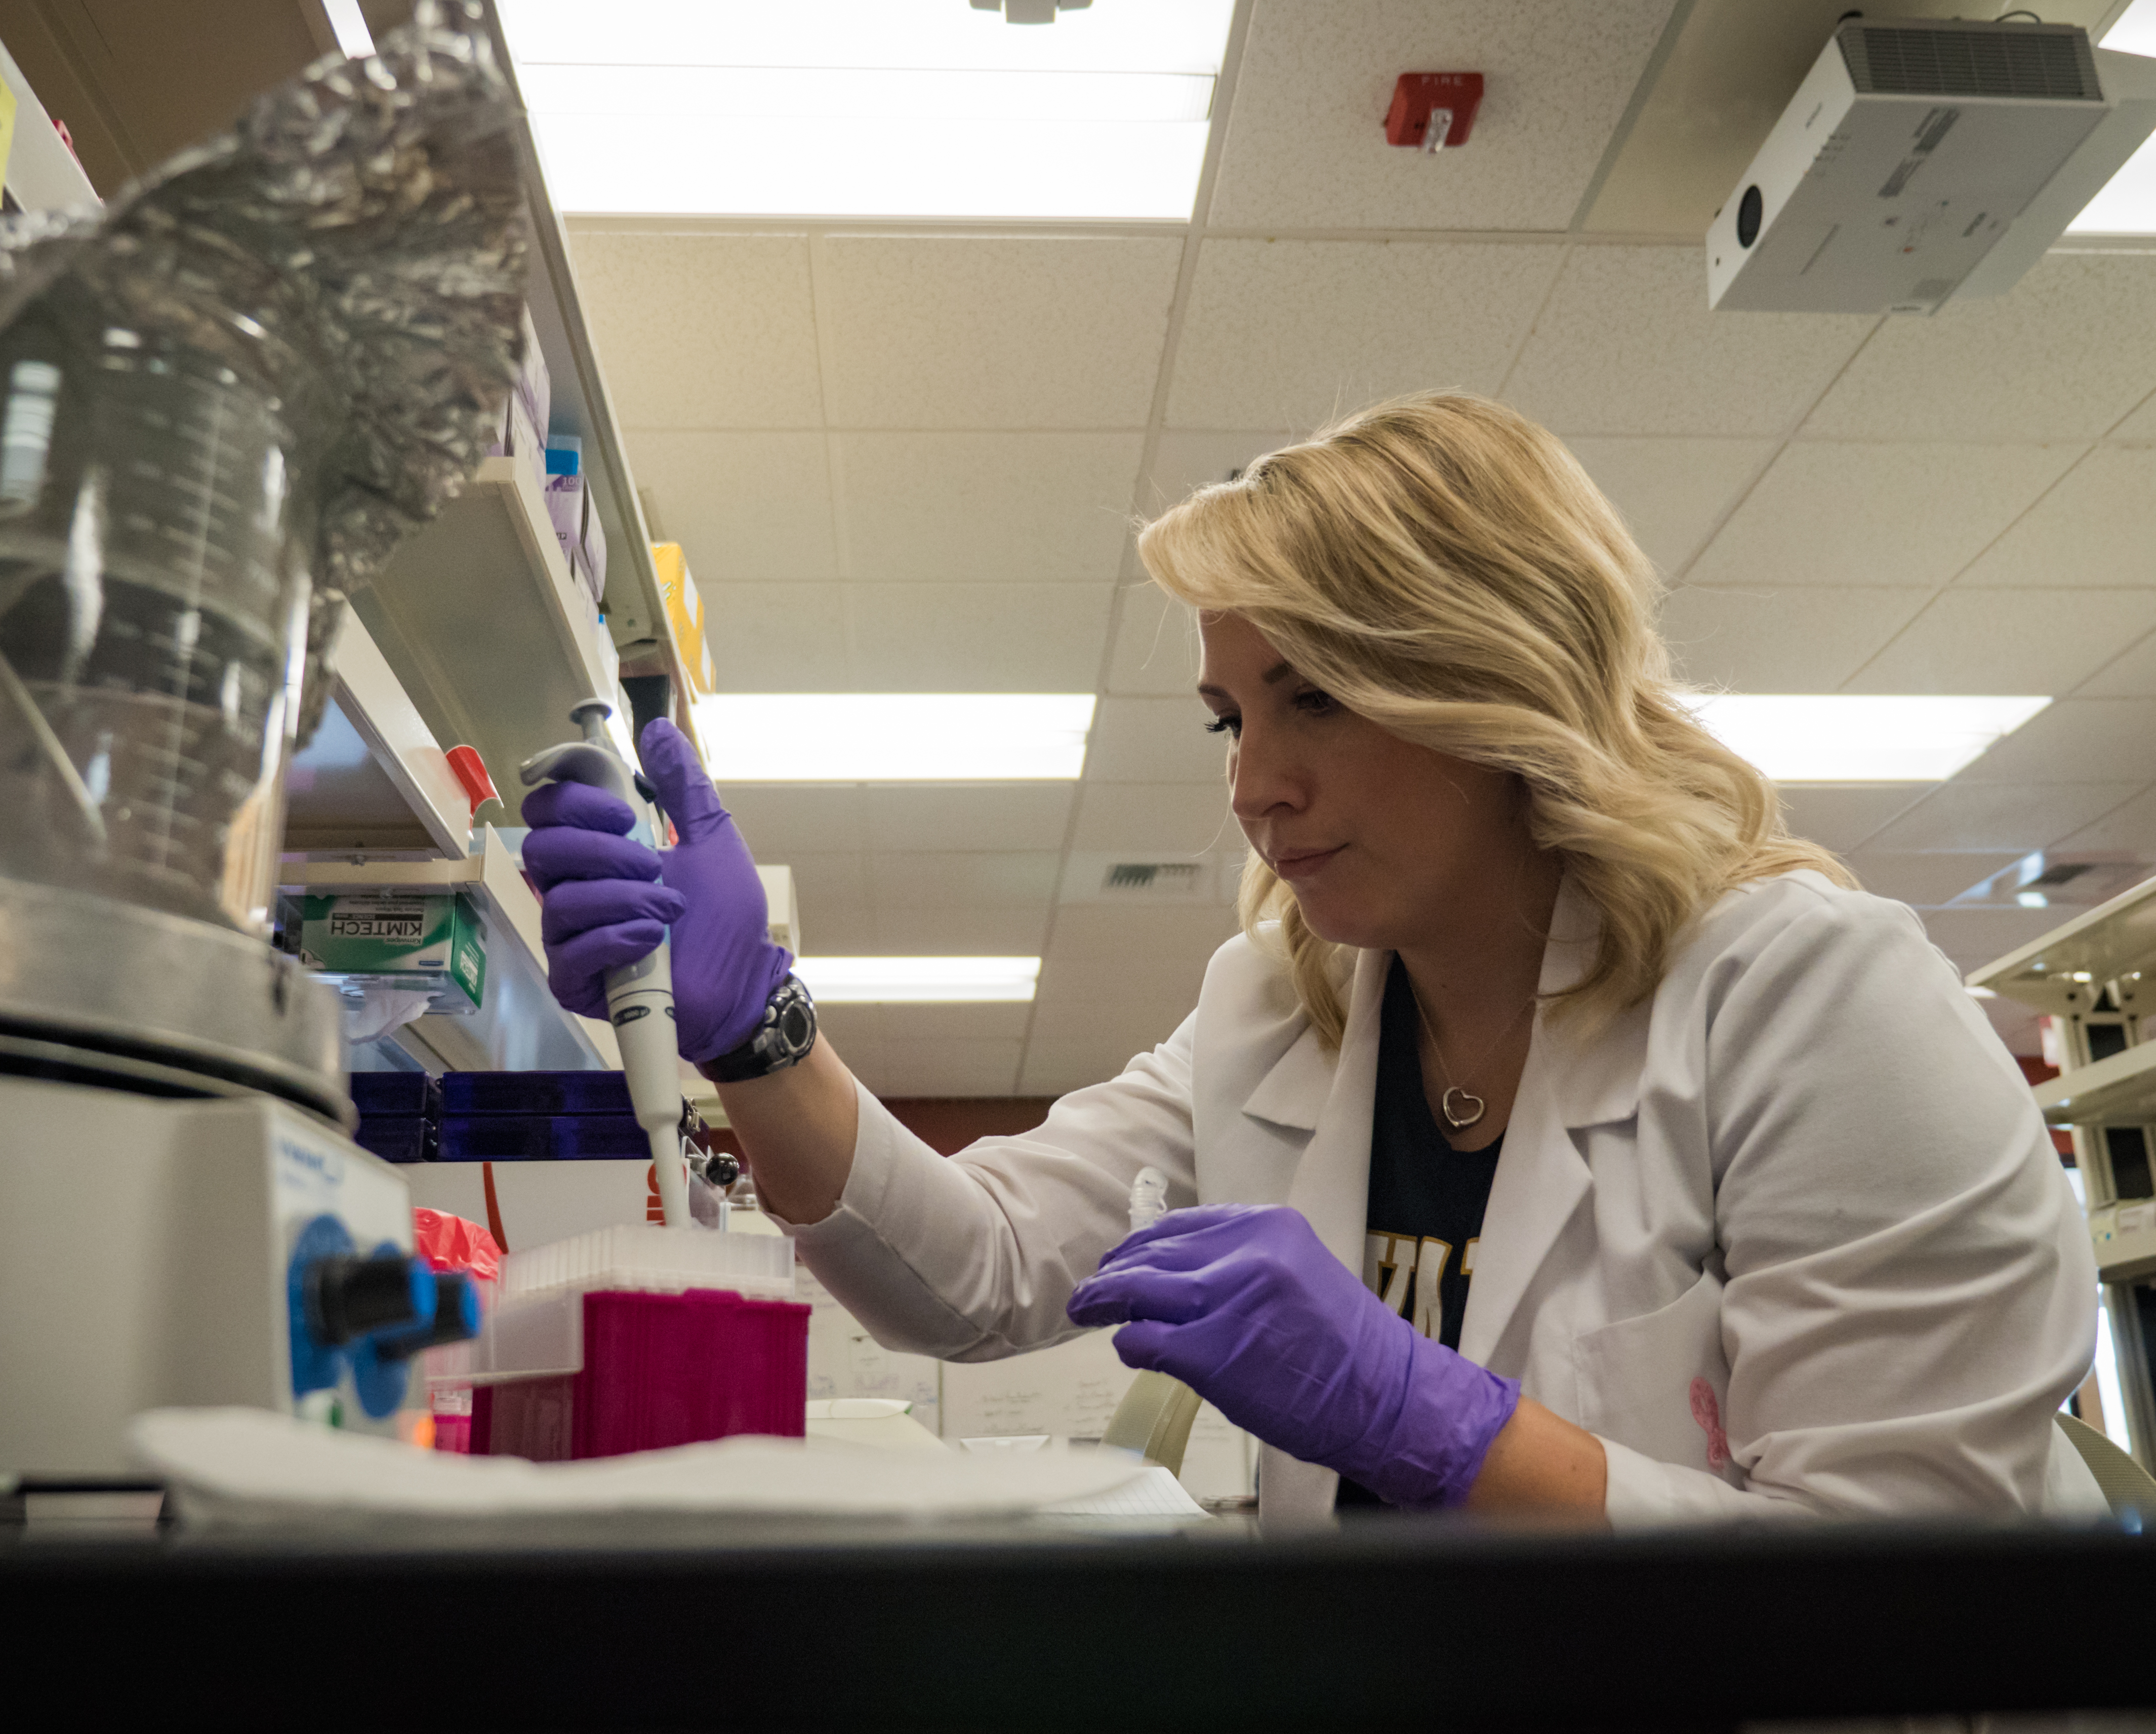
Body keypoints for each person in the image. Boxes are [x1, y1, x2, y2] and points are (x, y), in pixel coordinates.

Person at [521, 390, 2099, 1524]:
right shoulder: (1284, 1009)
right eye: (1231, 715)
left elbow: (1913, 1613)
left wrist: (1441, 1425)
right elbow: (986, 1269)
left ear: (1499, 683)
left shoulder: (1813, 1005)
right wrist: (764, 1036)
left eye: (1315, 698)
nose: (1250, 782)